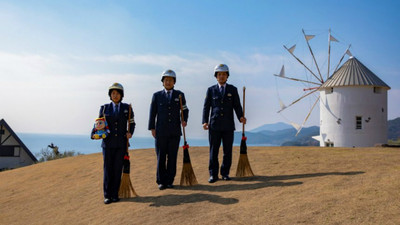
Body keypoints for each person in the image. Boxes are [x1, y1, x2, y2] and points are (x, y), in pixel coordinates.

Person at [91, 83, 135, 204]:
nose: (115, 95)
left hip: (121, 144)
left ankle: (115, 194)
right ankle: (107, 195)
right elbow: (98, 123)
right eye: (113, 93)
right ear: (110, 95)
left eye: (117, 93)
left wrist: (130, 132)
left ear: (121, 95)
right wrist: (93, 134)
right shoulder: (104, 108)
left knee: (117, 169)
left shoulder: (128, 108)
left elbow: (132, 123)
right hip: (108, 144)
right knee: (108, 170)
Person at [202, 64, 246, 183]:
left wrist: (241, 117)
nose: (221, 76)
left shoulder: (233, 89)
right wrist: (205, 122)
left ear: (227, 76)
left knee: (227, 151)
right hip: (214, 125)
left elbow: (237, 106)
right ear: (216, 76)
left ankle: (225, 173)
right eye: (219, 74)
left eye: (224, 74)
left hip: (228, 125)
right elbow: (206, 107)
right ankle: (213, 175)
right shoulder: (211, 90)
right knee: (213, 151)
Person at [148, 69, 189, 190]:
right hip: (160, 132)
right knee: (161, 157)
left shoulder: (179, 95)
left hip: (175, 132)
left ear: (174, 82)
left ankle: (170, 180)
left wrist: (184, 119)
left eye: (170, 80)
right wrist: (152, 128)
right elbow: (152, 113)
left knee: (172, 157)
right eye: (166, 80)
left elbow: (185, 109)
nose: (168, 82)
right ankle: (161, 181)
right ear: (162, 82)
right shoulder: (156, 96)